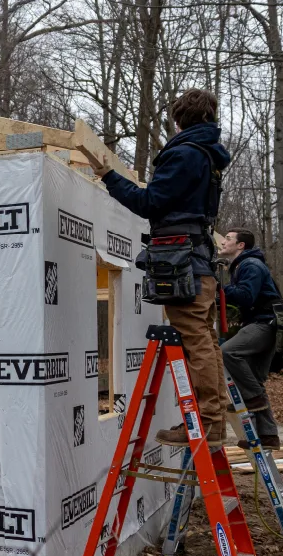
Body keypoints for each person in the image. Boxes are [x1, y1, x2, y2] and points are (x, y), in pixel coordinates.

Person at [94, 89, 231, 447]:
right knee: (205, 337)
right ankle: (215, 420)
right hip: (198, 260)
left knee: (195, 337)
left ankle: (208, 425)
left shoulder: (185, 154)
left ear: (178, 120)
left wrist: (109, 176)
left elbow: (149, 202)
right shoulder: (207, 155)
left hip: (183, 261)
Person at [218, 228, 283, 449]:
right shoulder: (243, 266)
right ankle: (269, 436)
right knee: (255, 380)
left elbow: (246, 296)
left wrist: (218, 290)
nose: (224, 242)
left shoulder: (250, 265)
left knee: (227, 352)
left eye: (228, 239)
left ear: (240, 246)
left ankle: (253, 398)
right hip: (265, 325)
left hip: (264, 324)